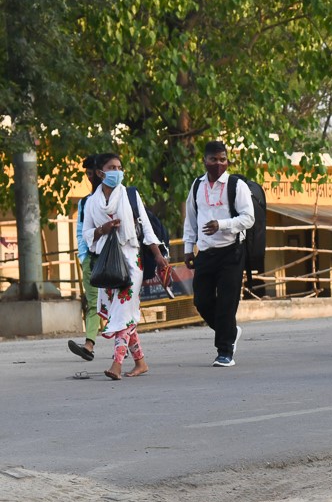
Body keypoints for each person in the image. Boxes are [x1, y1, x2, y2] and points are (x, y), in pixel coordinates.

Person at [80, 153, 169, 380]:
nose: (117, 171)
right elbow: (87, 235)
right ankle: (140, 362)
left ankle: (116, 365)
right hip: (107, 264)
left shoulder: (130, 195)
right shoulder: (91, 203)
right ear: (100, 173)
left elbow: (147, 228)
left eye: (120, 167)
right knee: (123, 314)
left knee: (122, 313)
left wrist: (158, 256)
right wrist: (104, 229)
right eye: (112, 167)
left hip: (131, 261)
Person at [184, 140, 255, 367]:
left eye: (222, 159)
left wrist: (222, 224)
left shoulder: (236, 186)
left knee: (226, 303)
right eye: (213, 159)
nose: (218, 164)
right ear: (204, 161)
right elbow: (191, 220)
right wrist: (188, 248)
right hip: (205, 252)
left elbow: (248, 218)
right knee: (202, 301)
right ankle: (231, 331)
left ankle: (225, 352)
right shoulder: (196, 186)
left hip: (231, 252)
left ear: (228, 161)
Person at [68, 155, 103, 362]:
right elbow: (81, 231)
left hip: (117, 260)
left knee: (117, 305)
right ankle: (89, 345)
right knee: (93, 303)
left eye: (93, 173)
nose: (91, 178)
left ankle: (124, 344)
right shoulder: (85, 203)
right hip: (92, 259)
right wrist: (83, 256)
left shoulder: (121, 197)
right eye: (88, 174)